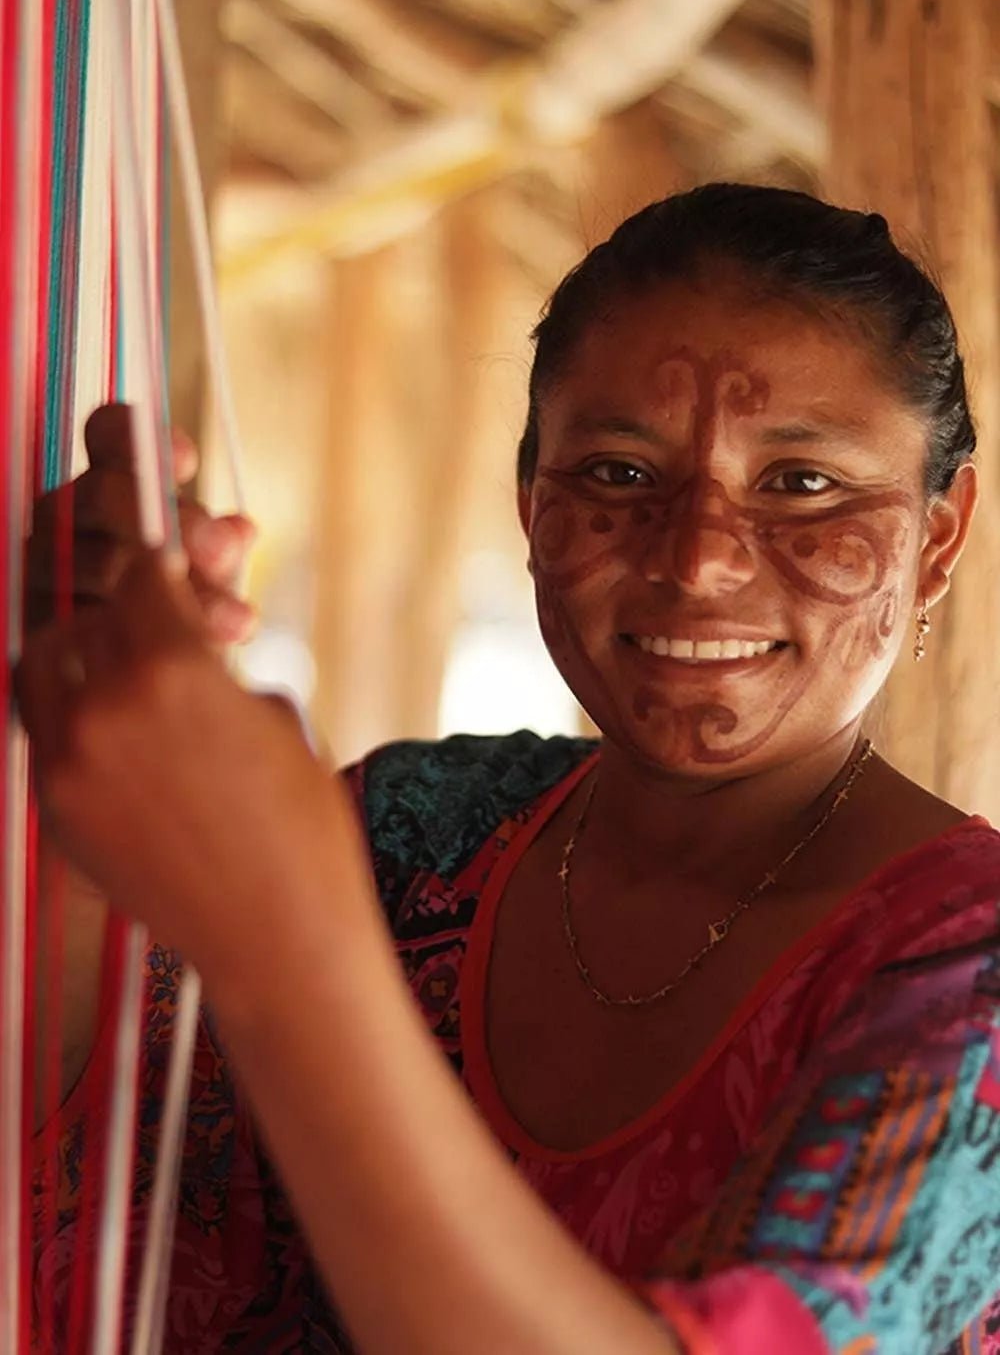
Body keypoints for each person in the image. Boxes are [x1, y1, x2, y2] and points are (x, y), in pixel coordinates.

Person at [19, 183, 1000, 1354]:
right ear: (531, 503)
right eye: (620, 476)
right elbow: (100, 1166)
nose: (694, 562)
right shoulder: (412, 834)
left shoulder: (964, 978)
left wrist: (289, 947)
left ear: (937, 537)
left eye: (800, 483)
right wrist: (70, 702)